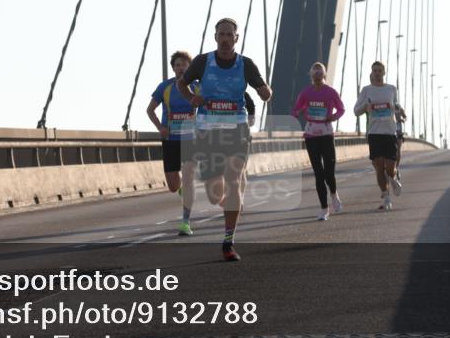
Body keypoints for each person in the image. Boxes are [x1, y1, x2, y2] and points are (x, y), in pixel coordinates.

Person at [178, 18, 271, 262]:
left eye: (230, 34)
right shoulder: (202, 61)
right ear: (215, 36)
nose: (226, 38)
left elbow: (264, 90)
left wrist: (265, 92)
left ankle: (228, 242)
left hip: (237, 130)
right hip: (208, 132)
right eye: (222, 34)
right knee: (213, 194)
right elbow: (181, 83)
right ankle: (231, 201)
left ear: (236, 38)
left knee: (232, 178)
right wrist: (191, 98)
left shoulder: (245, 64)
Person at [147, 51, 199, 236]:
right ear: (173, 68)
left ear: (190, 67)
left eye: (184, 65)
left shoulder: (197, 87)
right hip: (170, 140)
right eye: (177, 65)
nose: (180, 68)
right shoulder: (165, 87)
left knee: (189, 176)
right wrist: (160, 127)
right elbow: (150, 109)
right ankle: (184, 190)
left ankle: (186, 222)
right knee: (173, 186)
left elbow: (207, 107)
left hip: (191, 140)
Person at [292, 62, 345, 221]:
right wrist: (297, 114)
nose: (316, 76)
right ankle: (324, 208)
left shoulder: (330, 92)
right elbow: (295, 109)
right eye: (314, 73)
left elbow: (341, 109)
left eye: (319, 73)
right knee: (318, 174)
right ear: (310, 75)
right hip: (311, 135)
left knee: (329, 172)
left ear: (324, 75)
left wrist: (333, 117)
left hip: (326, 134)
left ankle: (334, 195)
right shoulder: (305, 93)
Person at [354, 61, 406, 211]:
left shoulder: (391, 89)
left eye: (379, 70)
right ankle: (386, 197)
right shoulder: (366, 90)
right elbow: (356, 111)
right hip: (374, 133)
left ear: (384, 72)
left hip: (389, 131)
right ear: (372, 73)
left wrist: (399, 110)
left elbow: (395, 105)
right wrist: (366, 107)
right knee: (379, 168)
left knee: (390, 167)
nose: (377, 73)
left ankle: (392, 177)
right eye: (374, 70)